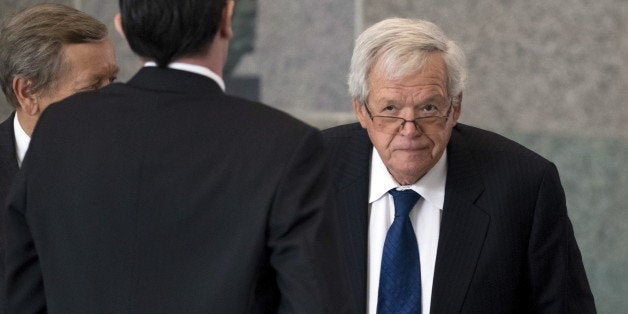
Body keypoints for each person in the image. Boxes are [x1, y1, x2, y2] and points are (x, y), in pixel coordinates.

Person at [4, 0, 349, 313]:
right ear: (226, 19)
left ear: (123, 27)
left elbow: (22, 294)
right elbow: (314, 302)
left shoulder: (58, 128)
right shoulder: (285, 143)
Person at [323, 18, 596, 313]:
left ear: (455, 108)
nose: (410, 129)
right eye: (390, 109)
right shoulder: (309, 171)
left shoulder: (525, 185)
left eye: (428, 108)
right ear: (361, 111)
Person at [0, 3, 118, 312]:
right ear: (27, 93)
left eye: (112, 82)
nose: (111, 101)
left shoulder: (132, 164)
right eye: (92, 87)